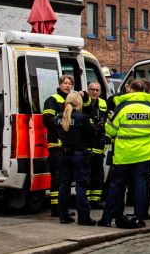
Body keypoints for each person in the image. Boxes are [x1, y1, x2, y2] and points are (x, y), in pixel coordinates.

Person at [98, 78, 150, 228]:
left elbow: (110, 129)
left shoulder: (122, 106)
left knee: (116, 187)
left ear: (131, 90)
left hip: (123, 154)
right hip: (145, 154)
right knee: (140, 186)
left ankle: (106, 219)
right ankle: (139, 218)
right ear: (145, 91)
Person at [57, 92, 97, 225]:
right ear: (78, 103)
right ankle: (84, 217)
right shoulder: (82, 118)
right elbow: (92, 133)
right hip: (80, 156)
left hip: (64, 155)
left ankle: (63, 215)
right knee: (81, 187)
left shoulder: (59, 118)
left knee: (64, 186)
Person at [43, 74, 76, 217]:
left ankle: (64, 207)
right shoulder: (52, 100)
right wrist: (63, 120)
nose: (67, 86)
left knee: (67, 178)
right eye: (65, 83)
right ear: (60, 84)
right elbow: (47, 120)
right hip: (56, 144)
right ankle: (55, 208)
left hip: (69, 145)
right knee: (57, 177)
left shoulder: (72, 100)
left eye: (70, 84)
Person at [85, 82, 110, 207]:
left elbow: (107, 121)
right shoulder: (84, 102)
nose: (95, 92)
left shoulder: (104, 103)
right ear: (88, 90)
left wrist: (106, 136)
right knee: (87, 174)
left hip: (99, 144)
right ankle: (86, 200)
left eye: (97, 90)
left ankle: (95, 200)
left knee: (98, 174)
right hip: (87, 143)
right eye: (92, 89)